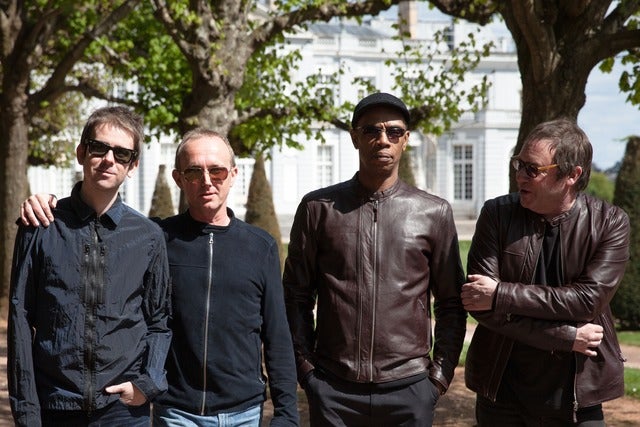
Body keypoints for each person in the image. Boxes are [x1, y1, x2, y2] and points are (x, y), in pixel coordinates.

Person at [21, 128, 299, 426]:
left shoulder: (260, 247)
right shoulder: (155, 239)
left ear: (233, 175)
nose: (207, 181)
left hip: (243, 411)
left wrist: (286, 414)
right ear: (178, 179)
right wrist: (50, 204)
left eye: (217, 171)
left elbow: (277, 336)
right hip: (176, 410)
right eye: (194, 172)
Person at [283, 92, 467, 426]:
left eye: (393, 131)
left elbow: (451, 304)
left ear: (405, 140)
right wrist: (306, 371)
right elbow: (295, 296)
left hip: (409, 389)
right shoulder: (318, 209)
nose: (383, 139)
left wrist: (438, 379)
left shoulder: (433, 213)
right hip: (334, 388)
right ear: (355, 137)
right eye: (371, 130)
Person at [8, 106, 172, 427]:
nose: (109, 159)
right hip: (55, 405)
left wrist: (147, 383)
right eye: (99, 148)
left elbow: (159, 321)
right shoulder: (41, 226)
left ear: (133, 165)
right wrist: (26, 411)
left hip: (122, 410)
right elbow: (20, 318)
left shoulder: (149, 236)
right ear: (81, 153)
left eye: (122, 154)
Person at [461, 118, 630, 426]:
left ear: (572, 175)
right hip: (502, 393)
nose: (519, 176)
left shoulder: (609, 222)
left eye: (533, 169)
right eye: (519, 164)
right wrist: (567, 336)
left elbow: (586, 301)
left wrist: (500, 293)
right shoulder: (497, 214)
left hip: (576, 394)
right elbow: (480, 305)